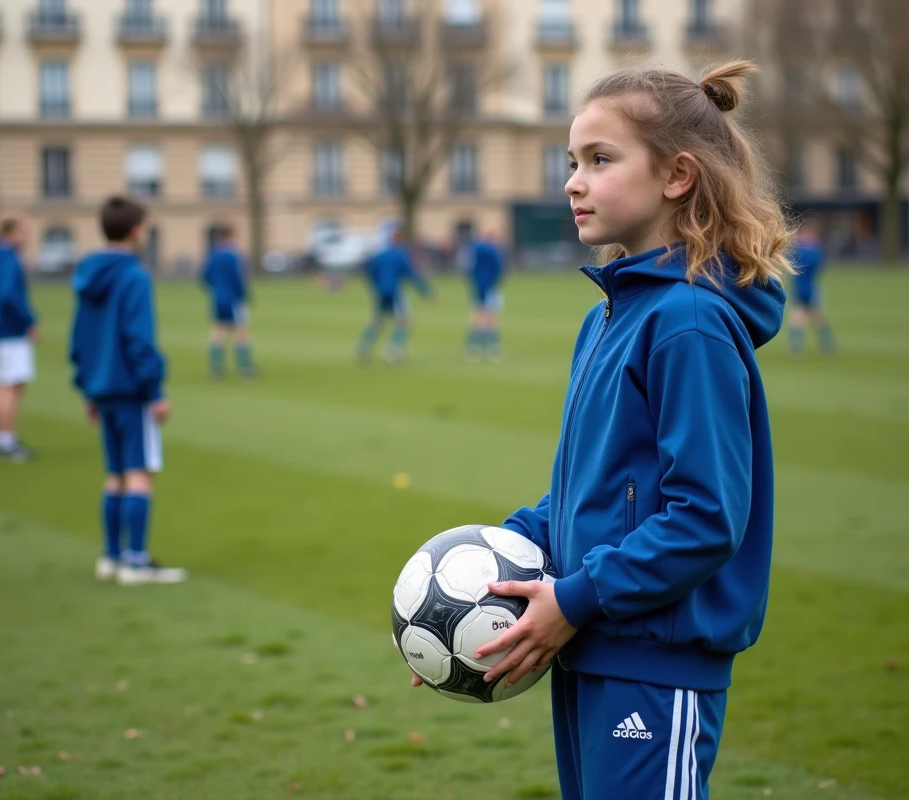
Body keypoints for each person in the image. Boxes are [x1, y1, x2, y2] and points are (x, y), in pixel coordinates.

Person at [407, 61, 791, 799]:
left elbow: (706, 518)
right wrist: (467, 599)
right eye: (571, 163)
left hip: (654, 661)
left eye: (599, 160)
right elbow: (589, 492)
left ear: (678, 175)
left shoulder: (689, 323)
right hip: (591, 647)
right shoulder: (608, 316)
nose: (572, 182)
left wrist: (576, 599)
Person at [70, 196, 186, 587]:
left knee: (114, 474)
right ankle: (135, 562)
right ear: (137, 230)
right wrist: (155, 390)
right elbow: (139, 339)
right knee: (138, 474)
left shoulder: (88, 274)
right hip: (131, 388)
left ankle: (111, 556)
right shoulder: (134, 276)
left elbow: (79, 339)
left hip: (102, 388)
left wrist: (87, 388)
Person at [0, 216, 39, 462]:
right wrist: (28, 321)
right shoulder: (9, 259)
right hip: (10, 329)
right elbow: (8, 295)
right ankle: (6, 441)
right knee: (11, 385)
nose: (27, 238)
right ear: (10, 233)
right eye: (23, 232)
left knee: (4, 384)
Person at [357, 229, 433, 364]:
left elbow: (370, 273)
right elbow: (411, 274)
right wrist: (425, 291)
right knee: (405, 321)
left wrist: (376, 288)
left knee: (378, 320)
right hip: (394, 291)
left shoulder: (380, 255)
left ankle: (364, 345)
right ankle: (393, 349)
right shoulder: (401, 255)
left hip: (381, 291)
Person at [201, 224, 256, 379]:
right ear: (231, 237)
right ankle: (245, 368)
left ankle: (216, 368)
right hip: (233, 299)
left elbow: (205, 276)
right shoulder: (233, 255)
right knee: (241, 332)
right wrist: (244, 294)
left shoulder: (213, 254)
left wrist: (217, 289)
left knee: (218, 330)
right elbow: (238, 278)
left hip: (217, 298)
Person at [788, 218, 836, 355]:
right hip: (807, 286)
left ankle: (801, 345)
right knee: (808, 315)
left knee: (806, 315)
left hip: (804, 286)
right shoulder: (812, 250)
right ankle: (825, 344)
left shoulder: (803, 250)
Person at [465, 231, 506, 362]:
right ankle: (492, 347)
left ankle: (473, 347)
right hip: (489, 287)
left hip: (478, 286)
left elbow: (469, 269)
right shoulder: (492, 252)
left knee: (477, 316)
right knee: (489, 318)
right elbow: (498, 270)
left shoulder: (474, 250)